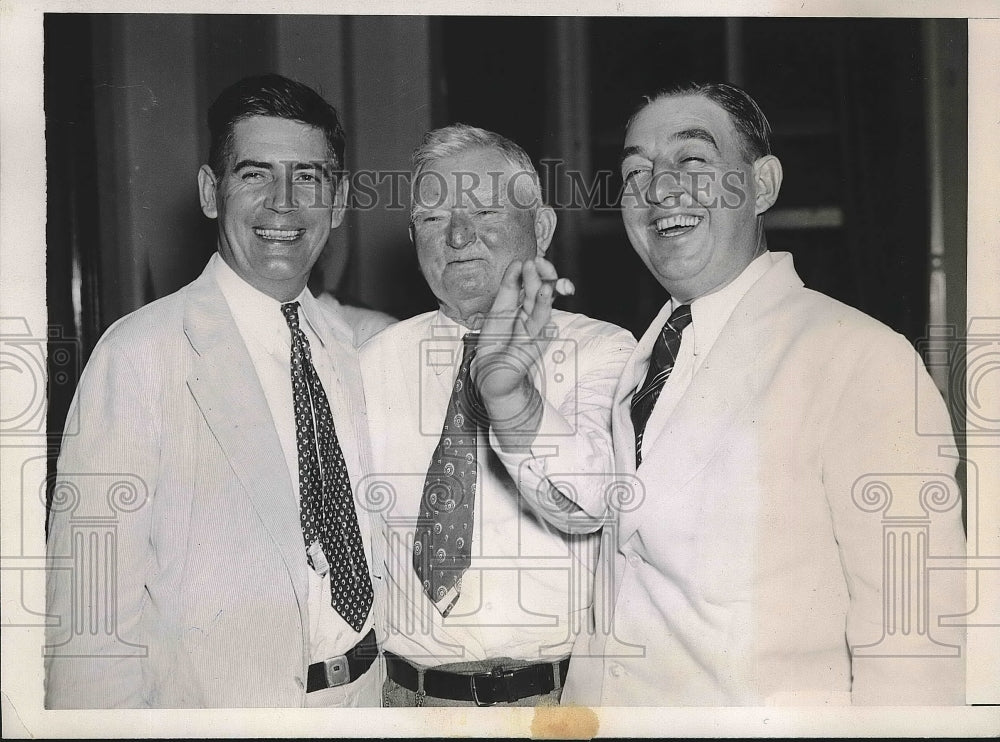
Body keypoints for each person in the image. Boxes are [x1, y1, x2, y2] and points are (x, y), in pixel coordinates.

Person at [561, 82, 967, 706]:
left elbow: (914, 643)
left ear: (763, 185)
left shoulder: (860, 357)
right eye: (636, 171)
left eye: (692, 161)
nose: (659, 188)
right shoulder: (638, 362)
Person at [45, 74, 384, 708]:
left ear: (337, 202)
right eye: (254, 175)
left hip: (362, 705)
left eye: (308, 178)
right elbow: (89, 625)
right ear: (211, 192)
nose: (283, 205)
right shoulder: (139, 355)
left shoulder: (347, 349)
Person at [359, 124, 636, 706]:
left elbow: (587, 506)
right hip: (406, 701)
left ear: (541, 227)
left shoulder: (605, 351)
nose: (458, 235)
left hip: (545, 706)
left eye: (484, 211)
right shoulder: (373, 362)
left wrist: (512, 397)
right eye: (433, 219)